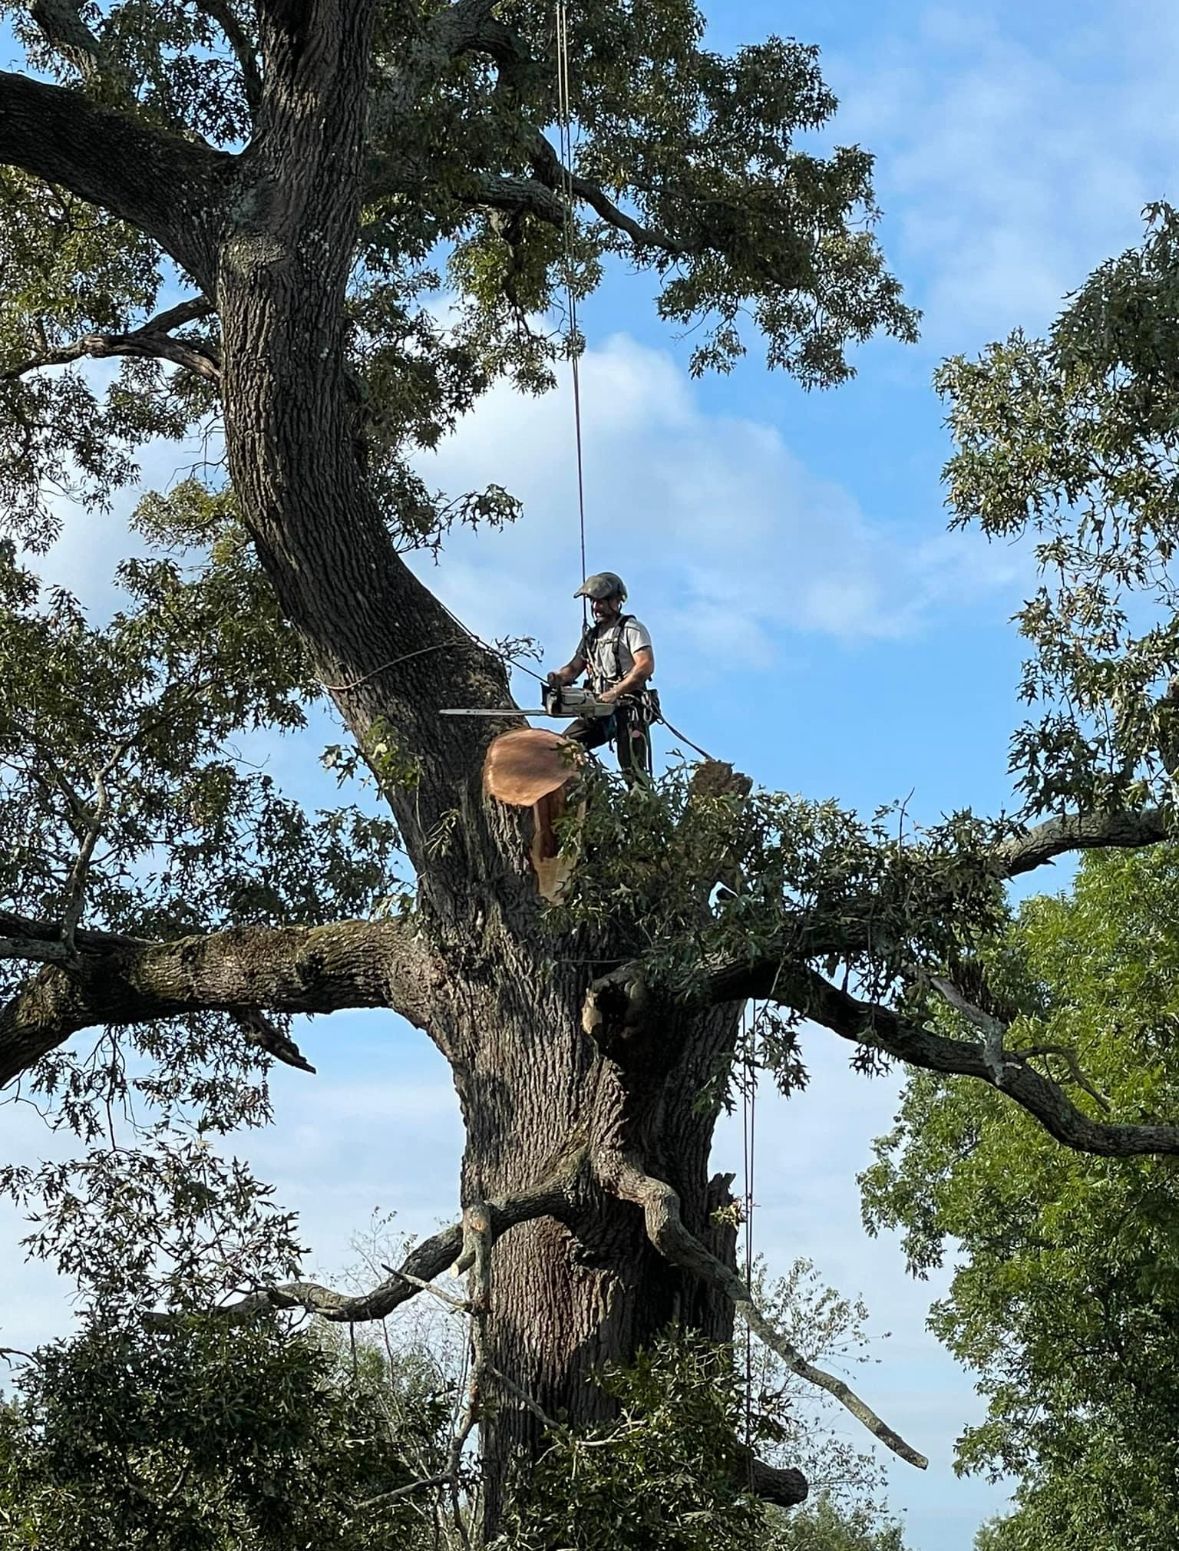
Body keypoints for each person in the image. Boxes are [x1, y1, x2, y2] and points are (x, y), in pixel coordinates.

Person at [547, 572, 655, 780]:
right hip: (598, 709)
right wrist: (557, 678)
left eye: (601, 602)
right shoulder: (591, 636)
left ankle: (639, 808)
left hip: (629, 709)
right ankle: (582, 790)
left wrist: (615, 693)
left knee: (633, 772)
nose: (596, 608)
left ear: (617, 601)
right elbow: (573, 668)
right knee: (564, 748)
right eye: (593, 602)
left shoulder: (631, 629)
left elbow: (645, 667)